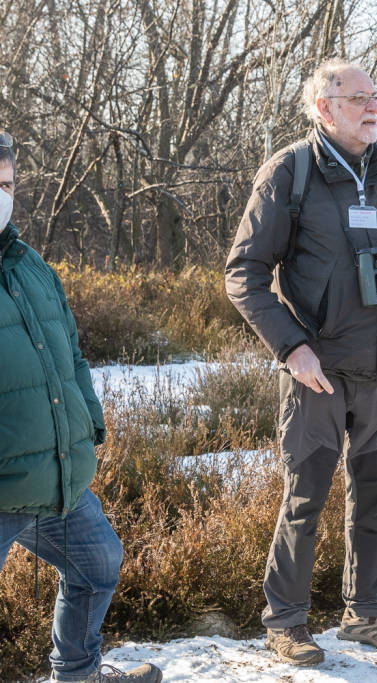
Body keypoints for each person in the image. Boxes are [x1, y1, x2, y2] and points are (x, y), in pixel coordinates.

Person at [225, 59, 377, 666]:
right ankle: (286, 622)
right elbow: (243, 274)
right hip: (317, 372)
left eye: (376, 97)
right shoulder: (290, 172)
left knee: (373, 496)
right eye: (358, 99)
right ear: (324, 107)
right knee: (305, 499)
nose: (373, 107)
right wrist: (292, 347)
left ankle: (366, 615)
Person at [0, 132, 162, 682]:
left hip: (55, 478)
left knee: (98, 564)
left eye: (6, 185)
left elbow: (69, 354)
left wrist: (87, 424)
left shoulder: (30, 266)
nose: (1, 196)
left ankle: (78, 673)